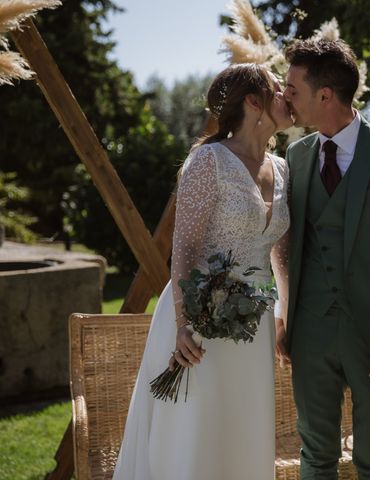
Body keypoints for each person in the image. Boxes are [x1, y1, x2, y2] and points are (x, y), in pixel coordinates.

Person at [113, 63, 292, 480]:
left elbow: (281, 252)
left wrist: (284, 314)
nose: (286, 95)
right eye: (277, 88)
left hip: (256, 324)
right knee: (197, 432)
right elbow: (186, 248)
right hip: (198, 319)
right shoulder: (207, 161)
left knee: (243, 431)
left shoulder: (282, 167)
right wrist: (183, 325)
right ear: (253, 102)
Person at [280, 38, 370, 480]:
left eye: (292, 88)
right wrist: (284, 317)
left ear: (324, 95)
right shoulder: (296, 156)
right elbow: (288, 250)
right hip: (309, 335)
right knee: (315, 457)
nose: (285, 95)